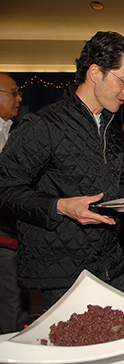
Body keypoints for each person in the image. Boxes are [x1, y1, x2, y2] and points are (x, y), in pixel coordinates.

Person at [0, 31, 124, 309]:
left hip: (112, 265)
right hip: (65, 273)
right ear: (95, 72)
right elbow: (5, 190)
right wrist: (60, 206)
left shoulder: (113, 130)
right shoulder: (42, 125)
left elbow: (110, 189)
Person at [0, 72, 29, 333]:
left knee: (15, 297)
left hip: (13, 230)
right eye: (13, 92)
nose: (19, 98)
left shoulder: (15, 130)